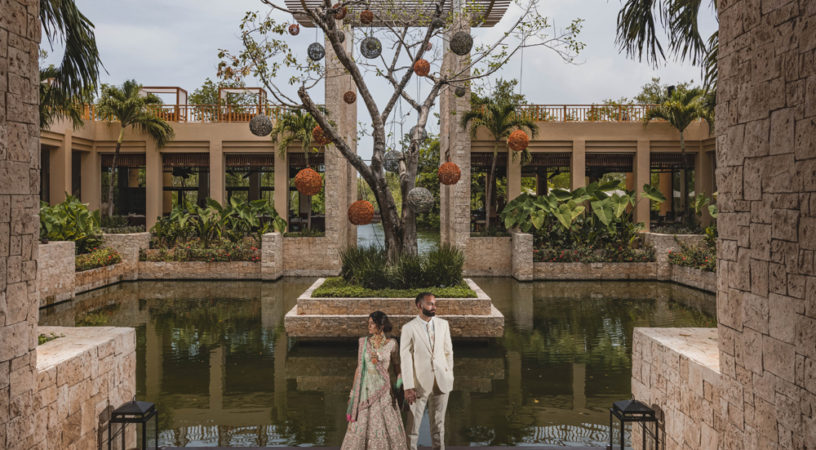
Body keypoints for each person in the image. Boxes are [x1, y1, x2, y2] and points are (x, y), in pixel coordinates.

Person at [341, 311, 408, 450]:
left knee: (387, 424)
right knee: (362, 424)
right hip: (365, 392)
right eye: (368, 323)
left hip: (385, 393)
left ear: (381, 326)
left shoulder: (392, 344)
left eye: (372, 324)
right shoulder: (363, 343)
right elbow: (359, 369)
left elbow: (398, 370)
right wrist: (353, 393)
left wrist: (399, 386)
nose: (369, 326)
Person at [400, 292, 454, 450]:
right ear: (419, 306)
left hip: (441, 382)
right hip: (418, 384)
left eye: (434, 304)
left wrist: (448, 374)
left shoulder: (443, 325)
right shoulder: (408, 328)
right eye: (430, 304)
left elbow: (448, 352)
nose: (434, 307)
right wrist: (408, 386)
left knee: (439, 425)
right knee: (413, 427)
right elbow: (405, 358)